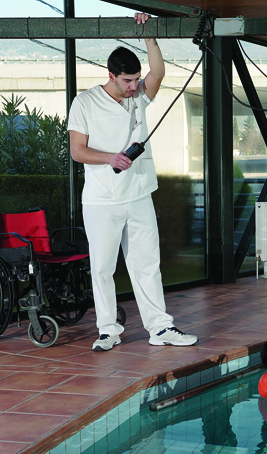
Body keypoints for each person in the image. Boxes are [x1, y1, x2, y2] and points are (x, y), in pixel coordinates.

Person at [67, 12, 197, 351]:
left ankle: (160, 327)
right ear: (111, 75)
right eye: (127, 81)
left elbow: (159, 72)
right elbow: (77, 151)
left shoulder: (138, 95)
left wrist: (149, 36)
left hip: (139, 194)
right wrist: (110, 158)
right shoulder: (84, 102)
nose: (133, 86)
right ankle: (108, 330)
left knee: (147, 265)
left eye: (136, 79)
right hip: (102, 199)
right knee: (103, 268)